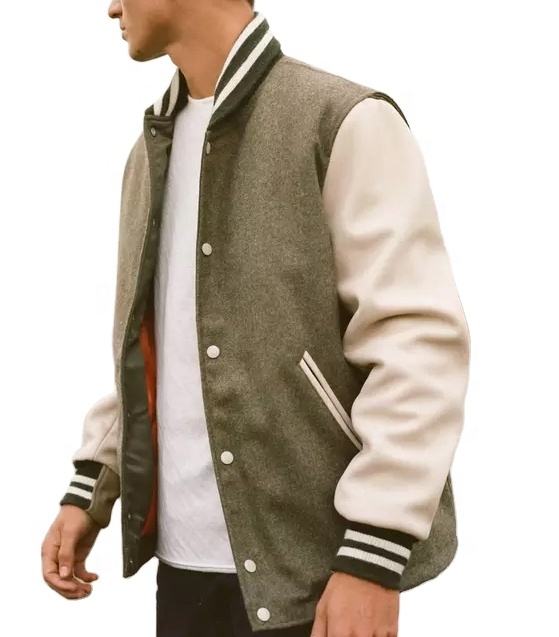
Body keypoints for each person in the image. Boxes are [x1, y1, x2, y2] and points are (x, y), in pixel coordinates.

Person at [41, 1, 471, 635]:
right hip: (182, 573)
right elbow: (155, 347)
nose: (111, 7)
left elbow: (417, 343)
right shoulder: (149, 149)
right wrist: (94, 484)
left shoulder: (342, 121)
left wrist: (374, 552)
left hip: (317, 577)